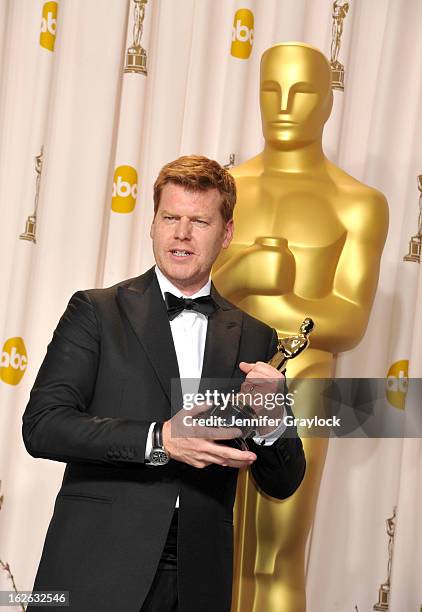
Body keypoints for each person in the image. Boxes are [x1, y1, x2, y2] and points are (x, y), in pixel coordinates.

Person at [22, 155, 306, 612]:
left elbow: (284, 480)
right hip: (96, 562)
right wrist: (160, 439)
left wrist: (272, 421)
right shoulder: (96, 311)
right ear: (152, 224)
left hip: (199, 574)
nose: (181, 233)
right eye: (170, 217)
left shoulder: (257, 336)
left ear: (226, 233)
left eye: (199, 220)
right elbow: (42, 426)